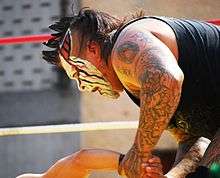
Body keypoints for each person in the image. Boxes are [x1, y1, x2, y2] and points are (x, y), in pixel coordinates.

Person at [42, 7, 220, 177]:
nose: (82, 86)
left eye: (78, 73)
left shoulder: (126, 46)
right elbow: (193, 138)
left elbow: (166, 77)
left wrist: (139, 152)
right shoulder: (139, 78)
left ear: (93, 49)